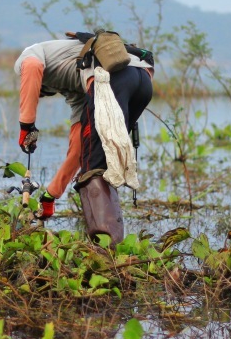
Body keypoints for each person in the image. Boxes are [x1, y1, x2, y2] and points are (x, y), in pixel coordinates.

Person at [14, 33, 153, 239]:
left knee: (93, 168)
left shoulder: (30, 55)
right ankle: (110, 239)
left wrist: (26, 126)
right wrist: (51, 196)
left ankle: (105, 247)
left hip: (113, 78)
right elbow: (79, 149)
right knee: (99, 158)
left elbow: (32, 67)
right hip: (142, 81)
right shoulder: (75, 85)